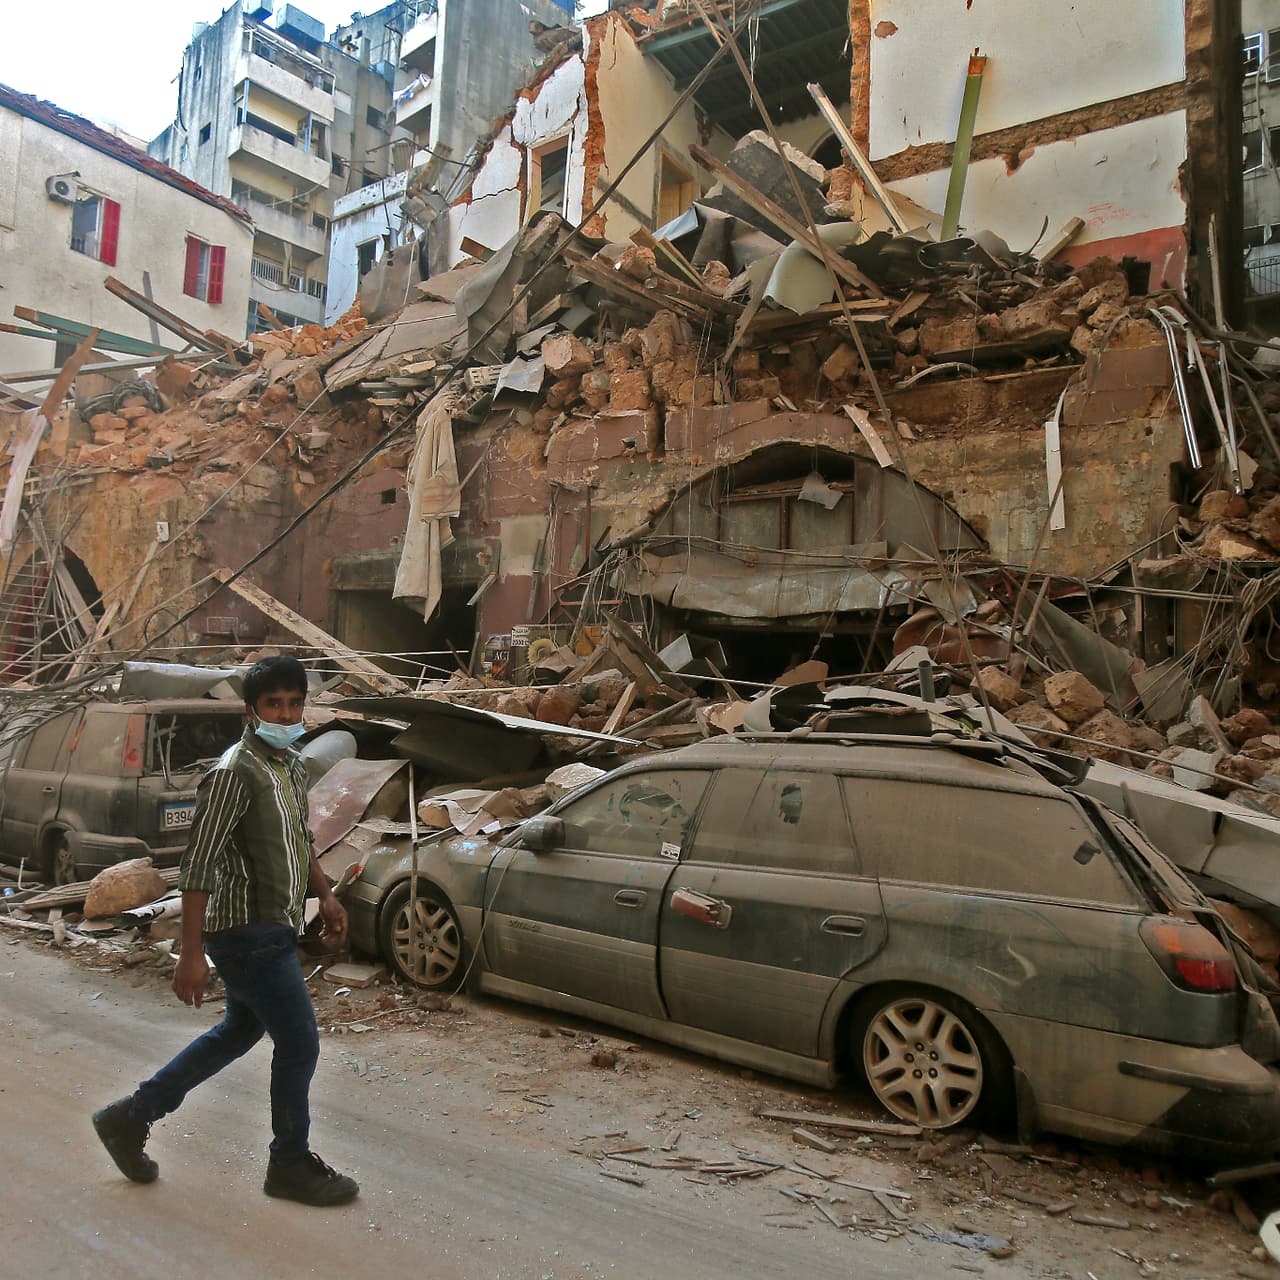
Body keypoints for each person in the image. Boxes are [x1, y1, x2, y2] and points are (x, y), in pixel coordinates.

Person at [92, 655, 359, 1206]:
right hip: (245, 933)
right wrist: (190, 954)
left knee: (239, 1030)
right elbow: (198, 865)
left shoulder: (286, 764)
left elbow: (298, 839)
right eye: (274, 704)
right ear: (250, 710)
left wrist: (326, 895)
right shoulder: (235, 770)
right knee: (300, 1042)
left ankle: (130, 1116)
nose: (286, 713)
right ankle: (287, 1164)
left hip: (274, 926)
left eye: (293, 702)